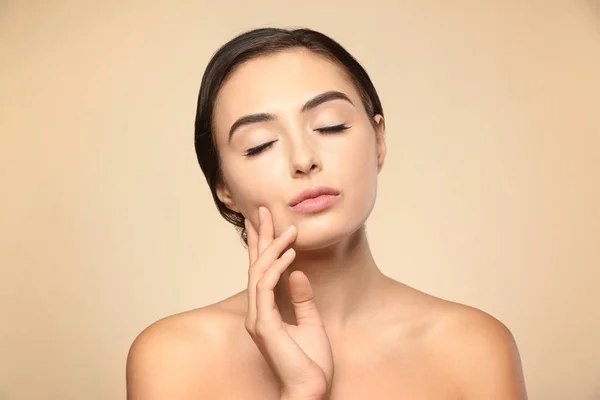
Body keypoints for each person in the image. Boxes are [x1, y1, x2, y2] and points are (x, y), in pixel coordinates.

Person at [126, 27, 527, 400]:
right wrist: (302, 390)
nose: (303, 159)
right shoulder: (174, 358)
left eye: (331, 126)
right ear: (224, 189)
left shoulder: (472, 347)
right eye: (259, 145)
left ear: (379, 140)